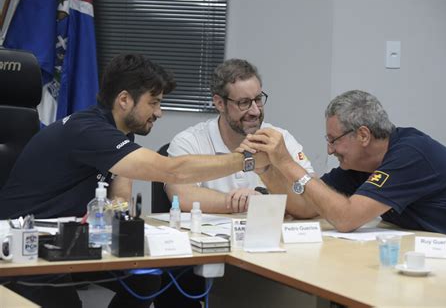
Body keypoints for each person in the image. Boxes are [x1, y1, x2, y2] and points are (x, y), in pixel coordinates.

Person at [0, 53, 268, 307]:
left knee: (146, 278)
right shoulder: (89, 130)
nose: (159, 112)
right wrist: (245, 159)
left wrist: (117, 218)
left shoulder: (120, 134)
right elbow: (171, 170)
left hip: (69, 240)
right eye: (154, 102)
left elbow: (120, 198)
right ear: (125, 100)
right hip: (24, 246)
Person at [243, 90, 446, 241]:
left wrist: (287, 163)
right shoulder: (358, 164)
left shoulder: (411, 154)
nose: (329, 150)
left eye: (333, 140)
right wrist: (267, 169)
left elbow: (346, 219)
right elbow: (306, 207)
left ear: (363, 135)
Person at [165, 58, 317, 216]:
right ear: (219, 103)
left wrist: (262, 196)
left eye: (258, 100)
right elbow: (183, 196)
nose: (255, 111)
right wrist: (244, 203)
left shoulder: (280, 138)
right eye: (244, 103)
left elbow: (313, 197)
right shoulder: (189, 141)